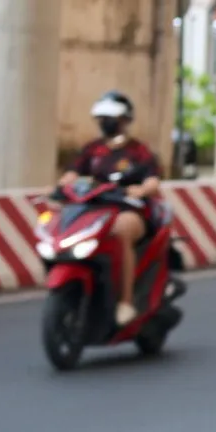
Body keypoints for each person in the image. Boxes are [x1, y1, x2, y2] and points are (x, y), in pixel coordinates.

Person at [59, 91, 163, 326]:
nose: (106, 122)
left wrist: (141, 190)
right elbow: (72, 174)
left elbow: (152, 181)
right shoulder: (92, 150)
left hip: (128, 210)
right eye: (102, 118)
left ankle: (125, 302)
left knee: (121, 231)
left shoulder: (138, 151)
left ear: (125, 120)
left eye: (111, 118)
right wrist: (62, 185)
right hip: (94, 210)